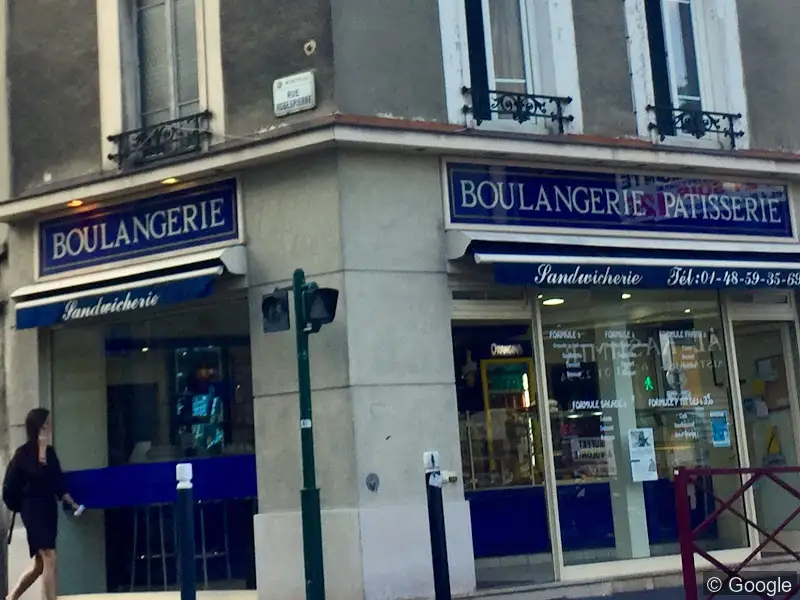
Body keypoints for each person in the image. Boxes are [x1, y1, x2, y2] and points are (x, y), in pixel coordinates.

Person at [7, 408, 80, 600]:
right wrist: (40, 452)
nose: (49, 428)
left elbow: (57, 481)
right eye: (46, 424)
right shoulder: (22, 454)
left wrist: (71, 503)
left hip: (48, 508)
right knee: (50, 557)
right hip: (31, 509)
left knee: (40, 565)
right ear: (38, 427)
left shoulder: (51, 452)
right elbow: (32, 478)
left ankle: (11, 597)